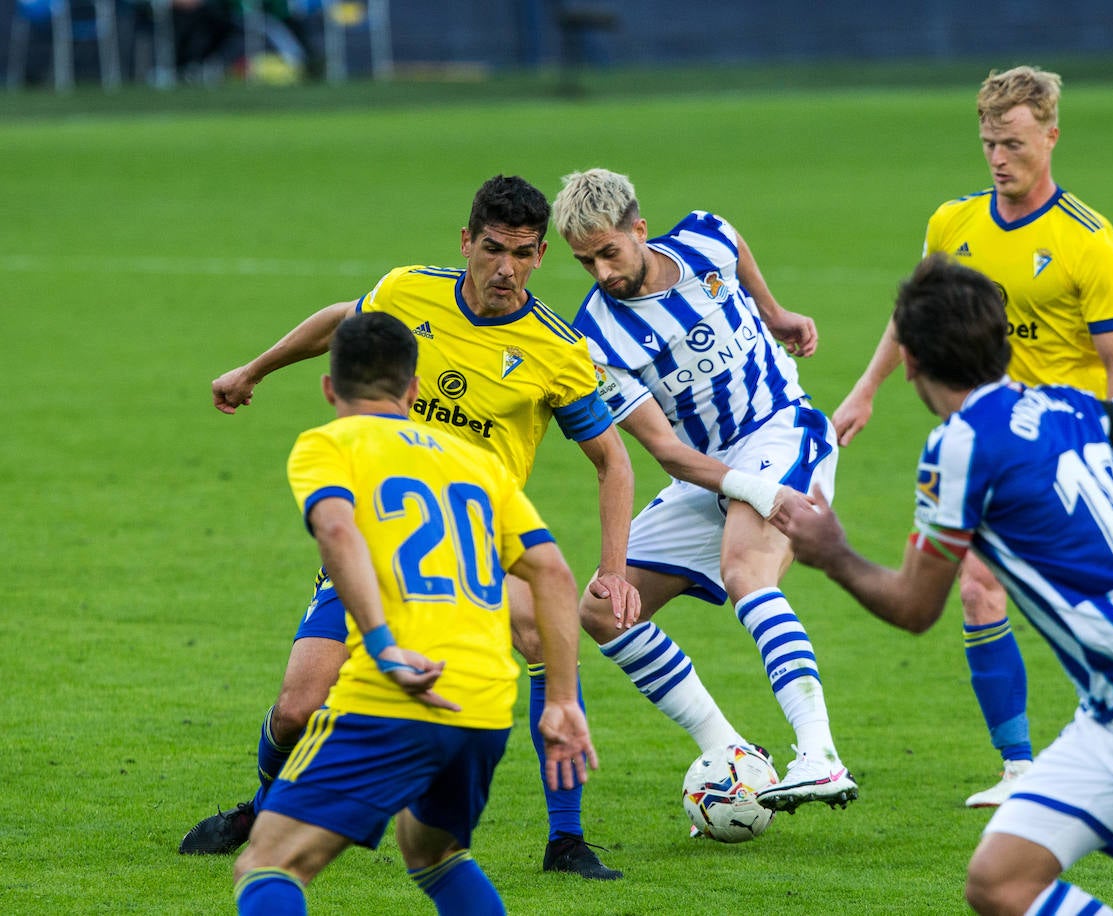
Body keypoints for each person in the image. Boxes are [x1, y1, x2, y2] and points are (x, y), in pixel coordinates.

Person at [773, 253, 1113, 915]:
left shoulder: (959, 445)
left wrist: (832, 553)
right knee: (1001, 884)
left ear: (911, 362)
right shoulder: (1063, 405)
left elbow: (916, 608)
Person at [185, 175, 635, 881]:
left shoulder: (556, 349)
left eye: (522, 253)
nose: (505, 269)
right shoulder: (408, 290)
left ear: (542, 253)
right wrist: (255, 369)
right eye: (492, 249)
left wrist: (612, 568)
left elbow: (613, 461)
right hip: (374, 546)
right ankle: (262, 805)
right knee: (300, 709)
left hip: (477, 551)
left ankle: (566, 839)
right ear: (466, 241)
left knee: (543, 632)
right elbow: (345, 322)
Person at [830, 65, 1113, 807]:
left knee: (1082, 604)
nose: (999, 158)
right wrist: (867, 387)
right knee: (976, 589)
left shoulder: (1088, 242)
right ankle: (1020, 768)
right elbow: (913, 314)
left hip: (1062, 446)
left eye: (1013, 143)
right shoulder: (953, 224)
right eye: (988, 144)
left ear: (1051, 137)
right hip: (980, 440)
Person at [233, 311, 597, 914]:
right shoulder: (476, 463)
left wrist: (380, 645)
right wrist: (560, 699)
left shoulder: (328, 444)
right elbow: (553, 573)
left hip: (393, 691)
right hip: (483, 704)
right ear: (414, 390)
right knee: (435, 855)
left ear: (330, 388)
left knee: (267, 864)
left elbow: (335, 528)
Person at [549, 168, 857, 814]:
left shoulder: (703, 239)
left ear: (640, 229)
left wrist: (775, 314)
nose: (601, 272)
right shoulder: (597, 340)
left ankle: (820, 756)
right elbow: (665, 451)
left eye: (610, 252)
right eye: (585, 261)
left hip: (783, 428)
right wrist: (753, 492)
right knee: (604, 610)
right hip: (708, 471)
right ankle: (732, 750)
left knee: (747, 570)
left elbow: (733, 241)